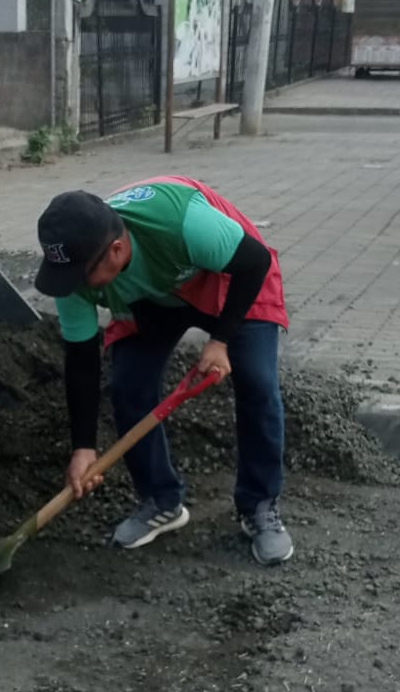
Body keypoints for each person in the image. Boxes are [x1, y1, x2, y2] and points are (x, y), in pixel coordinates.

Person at [35, 175, 292, 567]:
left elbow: (255, 262)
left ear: (116, 250)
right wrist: (83, 447)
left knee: (257, 381)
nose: (71, 286)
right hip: (151, 296)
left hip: (230, 278)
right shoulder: (75, 275)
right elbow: (82, 360)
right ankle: (161, 500)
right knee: (129, 387)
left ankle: (259, 505)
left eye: (79, 275)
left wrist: (220, 341)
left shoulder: (183, 223)